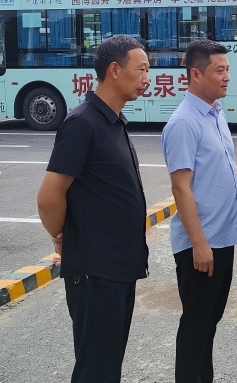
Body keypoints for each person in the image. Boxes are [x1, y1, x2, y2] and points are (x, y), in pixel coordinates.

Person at [36, 35, 150, 383]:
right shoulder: (82, 123)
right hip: (96, 272)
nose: (147, 78)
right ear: (114, 70)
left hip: (118, 267)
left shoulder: (112, 120)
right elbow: (49, 196)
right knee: (96, 369)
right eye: (141, 70)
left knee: (108, 364)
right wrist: (62, 235)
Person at [161, 39, 237, 383]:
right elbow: (180, 188)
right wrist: (199, 243)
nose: (226, 76)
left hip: (221, 238)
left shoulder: (215, 112)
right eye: (219, 70)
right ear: (195, 75)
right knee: (196, 327)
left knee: (208, 323)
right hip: (202, 244)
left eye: (227, 69)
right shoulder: (184, 123)